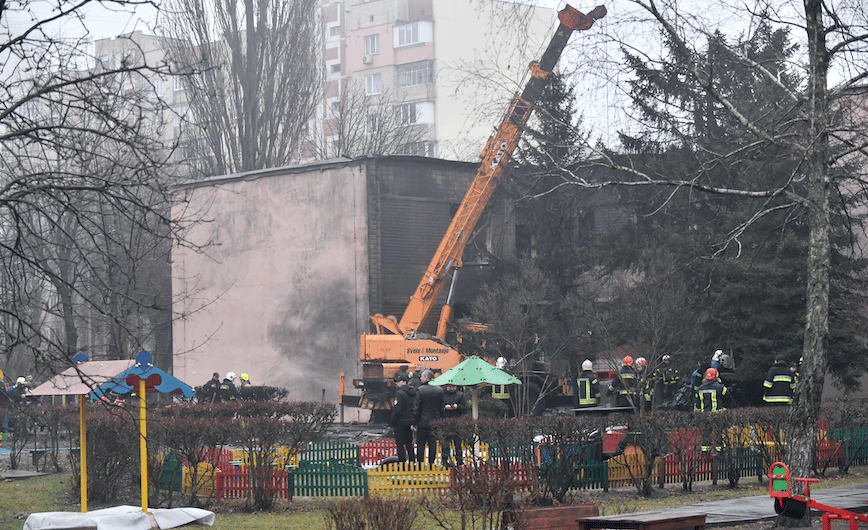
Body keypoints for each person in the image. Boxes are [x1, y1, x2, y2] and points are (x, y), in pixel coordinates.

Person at [413, 369, 443, 465]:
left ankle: (420, 464)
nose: (421, 378)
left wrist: (414, 422)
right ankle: (431, 463)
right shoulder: (440, 390)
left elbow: (416, 408)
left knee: (421, 444)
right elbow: (441, 407)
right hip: (435, 421)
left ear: (426, 377)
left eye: (422, 376)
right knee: (432, 444)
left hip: (423, 421)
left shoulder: (421, 390)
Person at [390, 372, 417, 463]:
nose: (396, 383)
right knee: (409, 443)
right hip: (410, 421)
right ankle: (413, 462)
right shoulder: (414, 392)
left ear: (404, 382)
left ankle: (402, 463)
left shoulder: (399, 393)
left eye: (398, 382)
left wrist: (392, 422)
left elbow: (397, 409)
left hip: (400, 422)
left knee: (400, 444)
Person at [441, 383, 468, 467]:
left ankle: (459, 461)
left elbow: (465, 408)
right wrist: (445, 408)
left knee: (458, 443)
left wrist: (458, 407)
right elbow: (439, 407)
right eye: (450, 386)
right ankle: (445, 461)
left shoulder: (460, 395)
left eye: (453, 386)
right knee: (445, 443)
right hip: (446, 421)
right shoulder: (442, 395)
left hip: (457, 421)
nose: (451, 388)